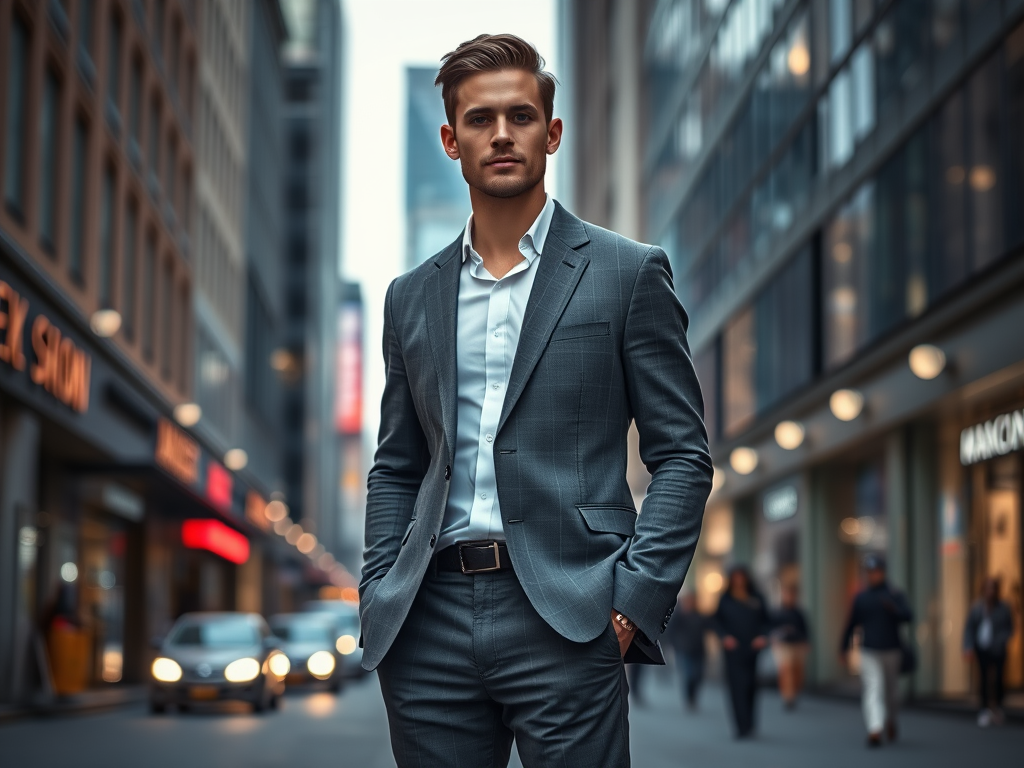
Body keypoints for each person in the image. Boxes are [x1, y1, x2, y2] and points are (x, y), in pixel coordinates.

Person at [359, 34, 713, 768]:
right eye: (480, 120)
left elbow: (682, 454)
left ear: (550, 132)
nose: (501, 135)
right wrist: (377, 589)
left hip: (570, 612)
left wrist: (633, 600)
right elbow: (398, 465)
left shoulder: (627, 273)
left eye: (520, 116)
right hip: (427, 620)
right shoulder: (410, 297)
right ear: (452, 141)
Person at [840, 554, 913, 748]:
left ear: (883, 572)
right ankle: (875, 728)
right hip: (869, 649)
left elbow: (908, 616)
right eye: (870, 572)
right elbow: (851, 623)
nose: (873, 575)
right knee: (874, 689)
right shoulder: (862, 597)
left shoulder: (894, 594)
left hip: (892, 649)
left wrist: (894, 610)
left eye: (877, 571)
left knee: (892, 693)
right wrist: (844, 647)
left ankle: (891, 720)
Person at [714, 566, 770, 738]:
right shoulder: (726, 599)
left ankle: (750, 724)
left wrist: (763, 636)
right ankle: (741, 727)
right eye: (736, 578)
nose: (739, 581)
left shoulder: (757, 598)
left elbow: (767, 621)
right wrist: (725, 637)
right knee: (736, 688)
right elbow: (716, 622)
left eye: (742, 577)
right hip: (733, 651)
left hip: (752, 650)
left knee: (751, 687)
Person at [963, 577, 1015, 727]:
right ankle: (985, 709)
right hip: (982, 647)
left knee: (999, 678)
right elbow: (969, 628)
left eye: (992, 588)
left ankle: (997, 706)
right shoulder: (977, 607)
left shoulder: (1004, 607)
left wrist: (1001, 640)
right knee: (984, 678)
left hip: (998, 648)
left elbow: (1010, 628)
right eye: (987, 588)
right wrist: (968, 646)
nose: (990, 592)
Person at [666, 591, 710, 711]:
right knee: (689, 674)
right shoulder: (678, 615)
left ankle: (693, 696)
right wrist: (675, 645)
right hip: (683, 649)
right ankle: (689, 698)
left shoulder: (699, 615)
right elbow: (670, 632)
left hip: (698, 649)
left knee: (698, 675)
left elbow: (709, 626)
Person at [771, 583, 810, 710]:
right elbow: (772, 628)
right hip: (783, 645)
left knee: (797, 671)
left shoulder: (798, 612)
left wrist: (806, 642)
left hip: (797, 644)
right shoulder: (778, 612)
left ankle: (794, 692)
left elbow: (805, 629)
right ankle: (788, 697)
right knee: (786, 671)